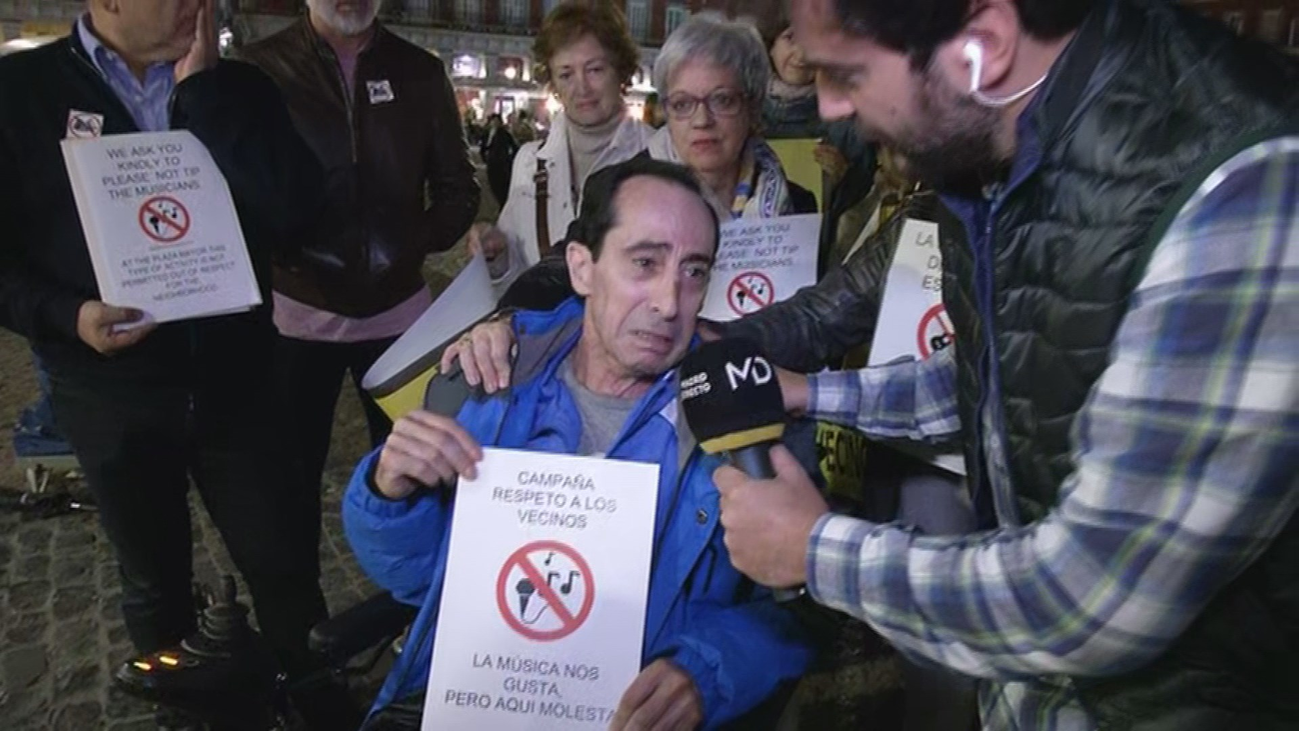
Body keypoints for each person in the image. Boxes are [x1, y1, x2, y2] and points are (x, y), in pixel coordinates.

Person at [714, 0, 1299, 728]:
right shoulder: (998, 144)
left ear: (981, 46)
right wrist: (810, 392)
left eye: (848, 73)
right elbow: (1001, 378)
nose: (829, 105)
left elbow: (1092, 593)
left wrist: (815, 550)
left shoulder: (1240, 188)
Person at [344, 158, 814, 730]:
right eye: (645, 263)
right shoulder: (493, 380)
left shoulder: (740, 418)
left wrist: (705, 674)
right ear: (582, 267)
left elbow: (795, 616)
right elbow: (414, 578)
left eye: (694, 272)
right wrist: (388, 494)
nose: (671, 302)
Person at [0, 0, 333, 719]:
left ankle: (314, 704)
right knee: (154, 583)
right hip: (107, 388)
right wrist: (67, 315)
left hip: (240, 379)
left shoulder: (239, 88)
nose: (201, 6)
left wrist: (207, 98)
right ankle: (187, 708)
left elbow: (299, 211)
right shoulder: (20, 93)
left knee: (285, 568)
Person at [238, 0, 479, 594]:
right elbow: (234, 188)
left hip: (402, 319)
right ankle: (300, 632)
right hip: (297, 316)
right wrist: (284, 247)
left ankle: (415, 612)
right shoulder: (259, 68)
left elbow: (458, 187)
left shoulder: (420, 71)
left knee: (425, 474)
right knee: (289, 486)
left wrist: (410, 241)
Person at [468, 1, 652, 299]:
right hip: (552, 340)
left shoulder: (658, 155)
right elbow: (516, 282)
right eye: (566, 74)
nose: (582, 88)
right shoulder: (529, 162)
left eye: (594, 70)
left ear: (621, 71)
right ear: (552, 82)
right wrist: (497, 255)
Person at [647, 14, 817, 221]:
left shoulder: (800, 206)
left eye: (722, 100)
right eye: (682, 104)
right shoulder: (619, 197)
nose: (702, 121)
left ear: (752, 107)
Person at [480, 112, 519, 206]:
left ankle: (502, 205)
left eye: (497, 121)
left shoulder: (504, 133)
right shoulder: (487, 132)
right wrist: (484, 157)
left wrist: (510, 158)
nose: (495, 123)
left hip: (502, 163)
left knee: (501, 186)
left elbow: (514, 147)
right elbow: (484, 146)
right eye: (493, 121)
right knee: (493, 184)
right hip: (492, 162)